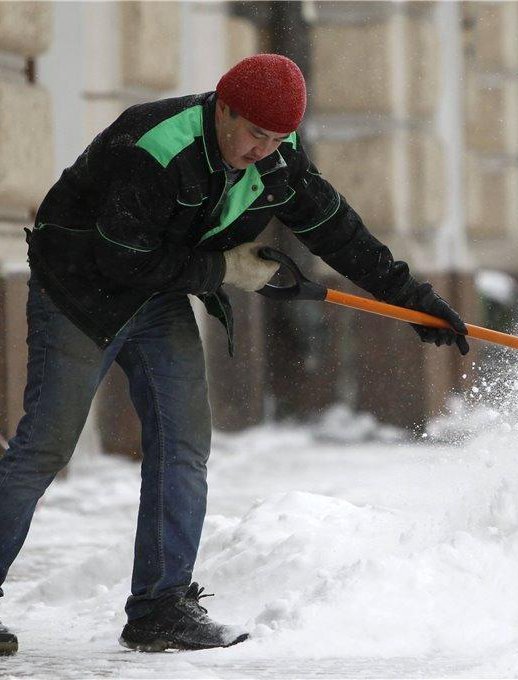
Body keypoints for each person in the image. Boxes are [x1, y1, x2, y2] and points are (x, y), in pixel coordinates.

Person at [0, 54, 469, 655]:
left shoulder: (279, 159)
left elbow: (336, 230)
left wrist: (415, 301)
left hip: (157, 294)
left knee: (184, 443)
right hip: (78, 288)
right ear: (223, 107)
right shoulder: (156, 145)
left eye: (278, 139)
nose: (263, 150)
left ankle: (159, 609)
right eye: (254, 133)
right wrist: (227, 269)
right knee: (45, 446)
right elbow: (119, 257)